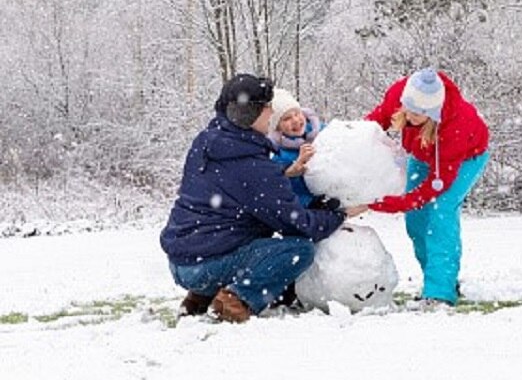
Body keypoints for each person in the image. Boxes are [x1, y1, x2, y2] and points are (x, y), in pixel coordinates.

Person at [159, 73, 368, 323]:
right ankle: (235, 301)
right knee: (298, 249)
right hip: (206, 265)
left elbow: (233, 184)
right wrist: (340, 213)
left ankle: (200, 297)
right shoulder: (254, 167)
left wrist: (283, 173)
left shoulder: (207, 142)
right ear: (250, 114)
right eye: (267, 107)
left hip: (181, 262)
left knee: (247, 233)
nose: (271, 113)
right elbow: (299, 224)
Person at [365, 67, 490, 306]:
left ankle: (440, 292)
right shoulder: (401, 95)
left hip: (464, 159)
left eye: (417, 115)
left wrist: (383, 204)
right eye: (407, 110)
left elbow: (429, 192)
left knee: (440, 214)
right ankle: (437, 278)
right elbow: (373, 124)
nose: (409, 117)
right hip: (422, 156)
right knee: (415, 220)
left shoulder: (455, 126)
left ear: (432, 114)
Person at [267, 88, 327, 208]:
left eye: (297, 113)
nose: (295, 120)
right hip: (309, 205)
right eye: (287, 118)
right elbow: (279, 182)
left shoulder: (322, 131)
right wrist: (295, 167)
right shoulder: (280, 154)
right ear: (278, 127)